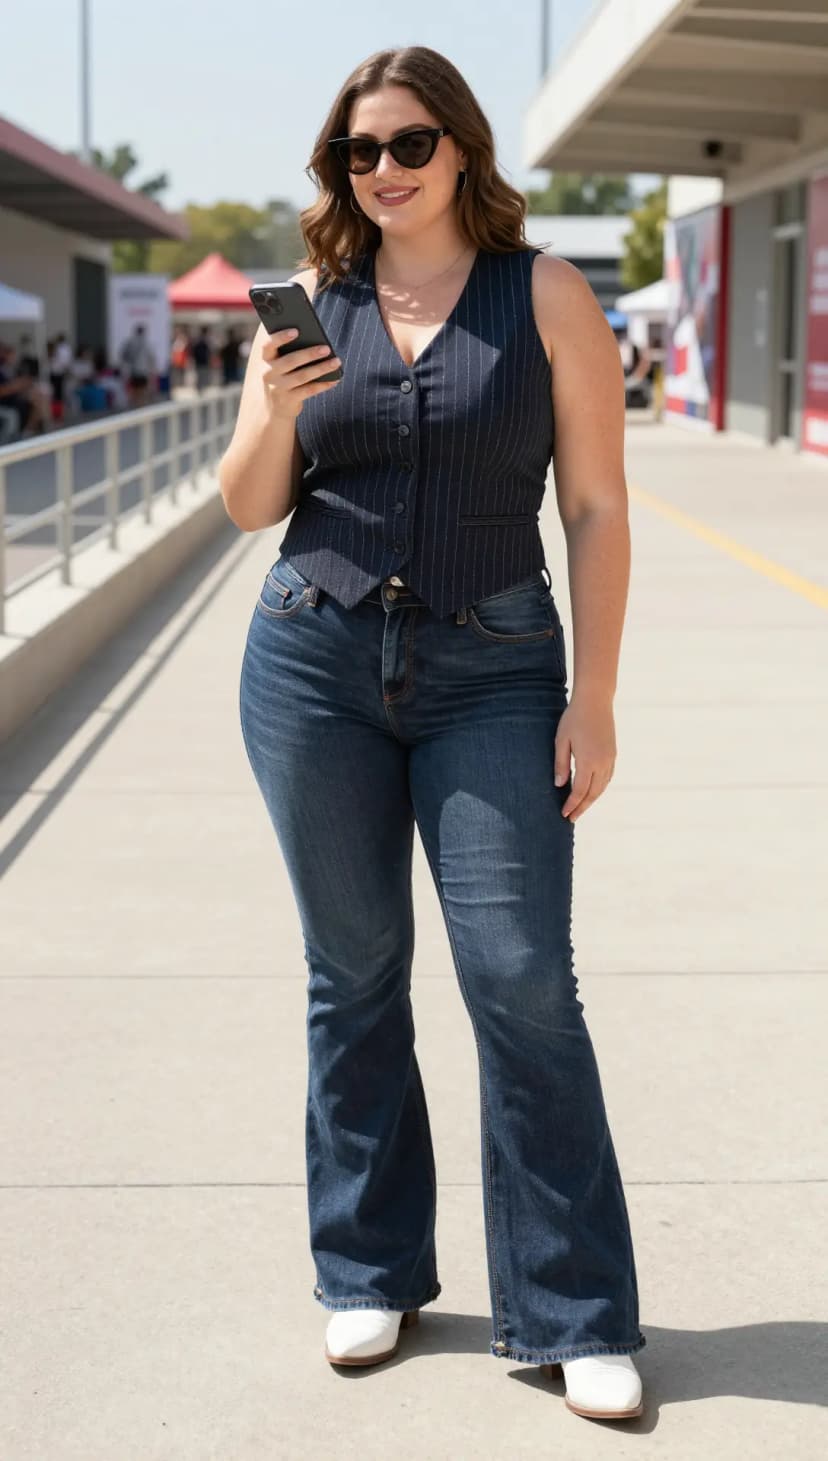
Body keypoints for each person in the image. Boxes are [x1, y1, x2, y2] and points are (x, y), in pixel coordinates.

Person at [220, 46, 645, 1422]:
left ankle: (573, 1307)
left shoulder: (548, 296)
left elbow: (593, 505)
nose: (386, 171)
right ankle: (370, 1268)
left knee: (523, 980)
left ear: (460, 147)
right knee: (351, 976)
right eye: (360, 153)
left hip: (495, 667)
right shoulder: (315, 306)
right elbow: (246, 505)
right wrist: (273, 409)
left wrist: (596, 693)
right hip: (313, 657)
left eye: (410, 144)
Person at [118, 324, 156, 407]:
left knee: (135, 389)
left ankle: (135, 405)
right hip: (143, 371)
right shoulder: (146, 343)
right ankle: (141, 405)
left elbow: (123, 355)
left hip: (133, 370)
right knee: (143, 389)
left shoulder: (130, 342)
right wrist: (152, 370)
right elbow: (151, 358)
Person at [191, 327, 212, 391]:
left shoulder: (201, 340)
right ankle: (200, 388)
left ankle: (201, 388)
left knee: (201, 376)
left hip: (201, 361)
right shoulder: (203, 341)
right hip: (201, 361)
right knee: (201, 376)